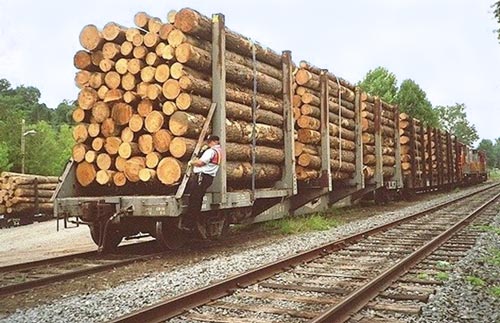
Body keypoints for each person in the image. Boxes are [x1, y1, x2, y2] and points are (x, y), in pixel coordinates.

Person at [182, 135, 222, 237]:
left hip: (202, 177)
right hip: (208, 177)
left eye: (209, 142)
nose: (208, 144)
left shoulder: (211, 151)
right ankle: (192, 222)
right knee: (197, 198)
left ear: (213, 141)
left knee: (194, 199)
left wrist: (191, 162)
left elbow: (201, 163)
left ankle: (189, 223)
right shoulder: (219, 151)